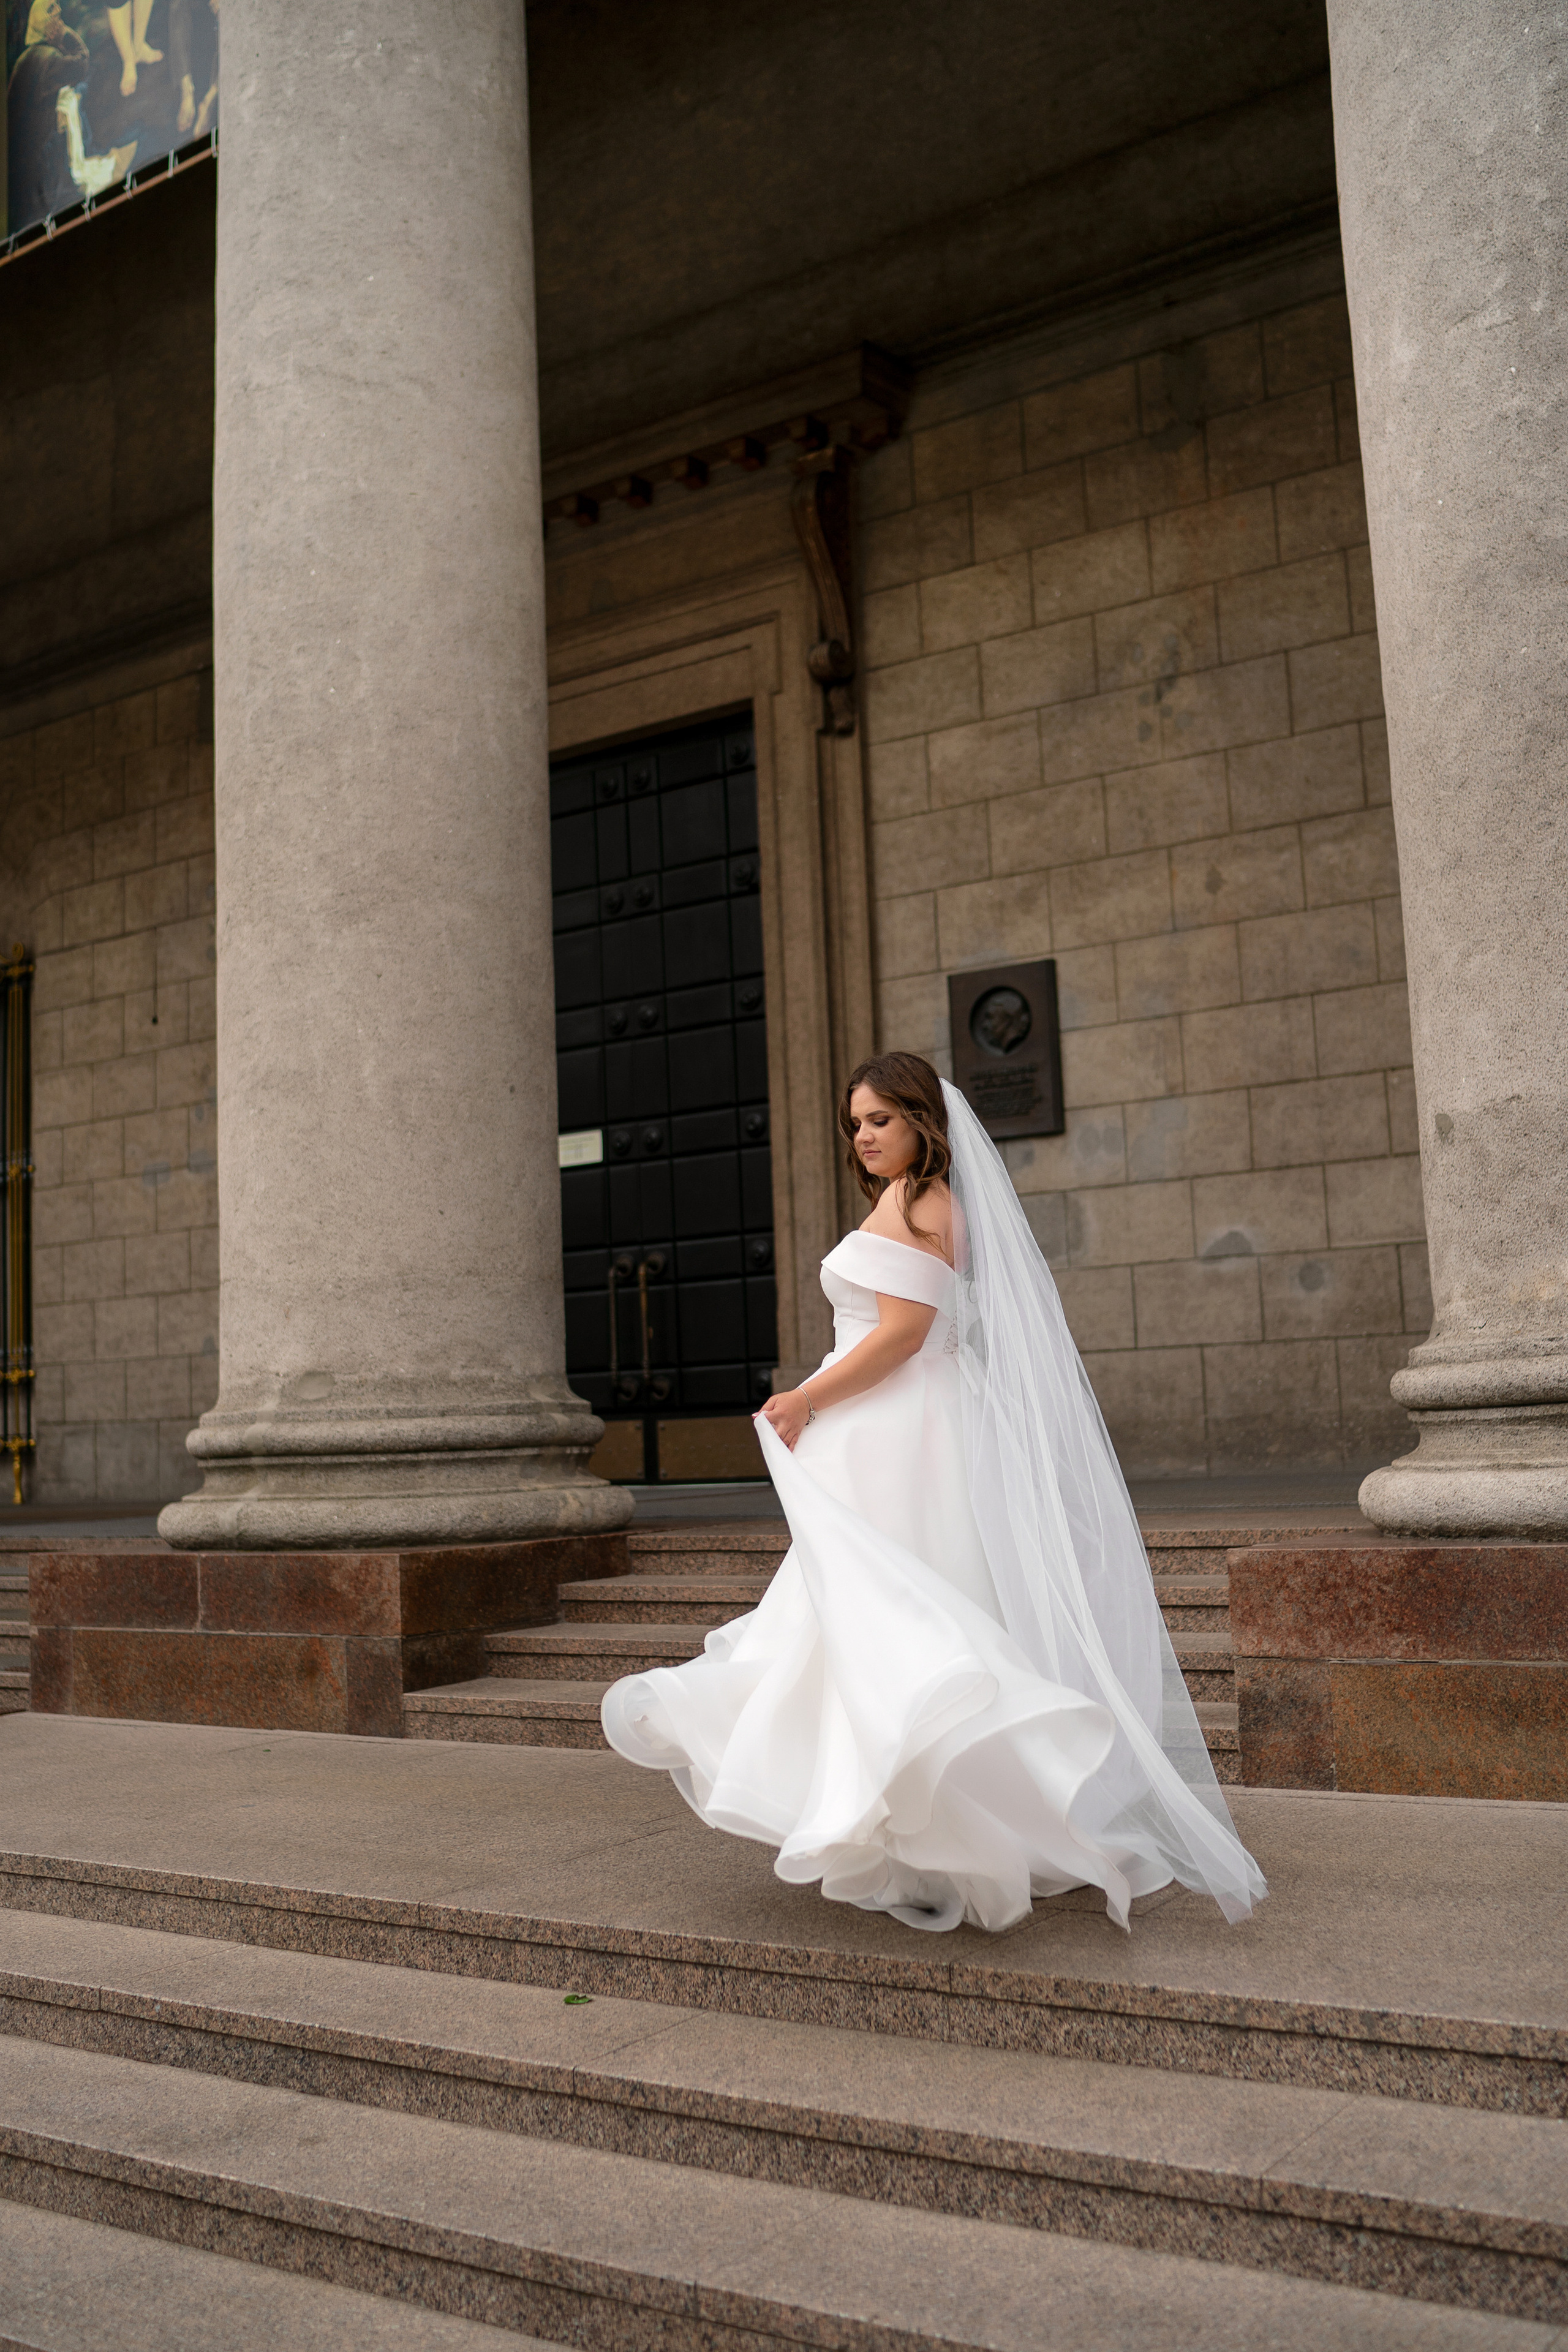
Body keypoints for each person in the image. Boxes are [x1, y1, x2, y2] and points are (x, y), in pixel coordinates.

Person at [602, 1052, 1265, 1934]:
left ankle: (943, 1824)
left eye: (880, 1119)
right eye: (855, 1124)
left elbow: (904, 1336)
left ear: (922, 1119)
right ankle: (900, 1825)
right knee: (869, 1609)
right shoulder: (909, 1201)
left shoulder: (925, 1203)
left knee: (903, 1607)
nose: (864, 1136)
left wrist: (805, 1396)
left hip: (903, 1424)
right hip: (893, 1427)